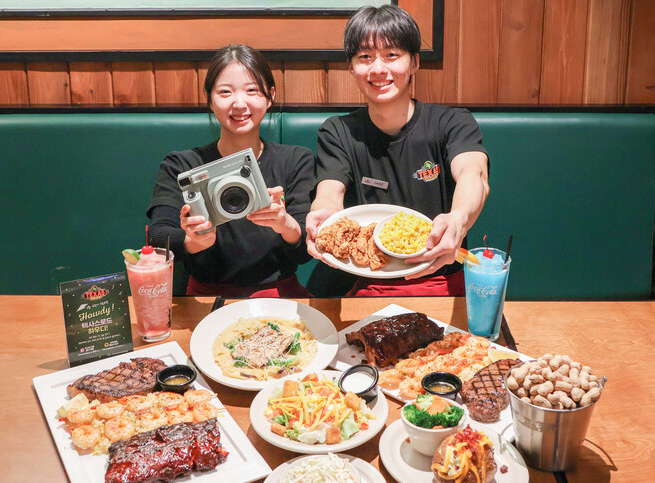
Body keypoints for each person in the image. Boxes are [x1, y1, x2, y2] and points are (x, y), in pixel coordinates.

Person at [305, 5, 490, 297]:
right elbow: (329, 192)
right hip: (366, 282)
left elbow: (473, 174)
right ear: (351, 67)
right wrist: (324, 217)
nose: (378, 68)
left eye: (391, 54)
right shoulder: (338, 132)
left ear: (414, 62)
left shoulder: (451, 123)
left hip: (441, 276)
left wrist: (458, 219)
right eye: (365, 57)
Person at [147, 44, 314, 297]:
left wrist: (284, 223)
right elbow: (159, 238)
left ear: (270, 96)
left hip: (280, 295)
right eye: (225, 92)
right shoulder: (182, 165)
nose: (239, 103)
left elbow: (307, 248)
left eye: (252, 90)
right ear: (210, 99)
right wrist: (193, 241)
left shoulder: (295, 160)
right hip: (206, 298)